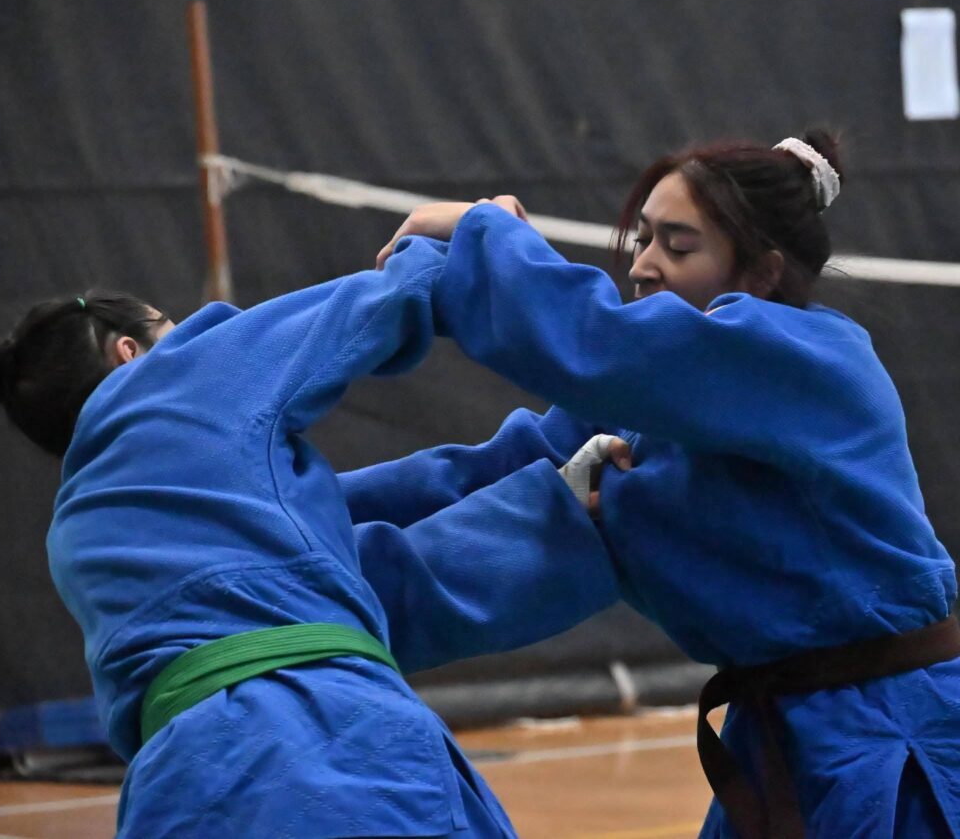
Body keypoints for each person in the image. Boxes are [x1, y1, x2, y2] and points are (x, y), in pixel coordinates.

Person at [369, 129, 960, 837]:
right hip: (779, 743)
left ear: (762, 274)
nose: (644, 266)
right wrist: (286, 507)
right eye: (644, 239)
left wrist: (485, 238)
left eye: (678, 247)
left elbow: (595, 343)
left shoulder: (806, 357)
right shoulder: (660, 398)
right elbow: (488, 471)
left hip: (889, 740)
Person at [0, 244, 623, 838]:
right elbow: (375, 305)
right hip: (331, 748)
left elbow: (381, 546)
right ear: (130, 351)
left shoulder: (86, 531)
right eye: (170, 328)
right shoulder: (177, 381)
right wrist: (469, 243)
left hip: (179, 788)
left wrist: (554, 474)